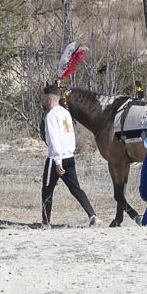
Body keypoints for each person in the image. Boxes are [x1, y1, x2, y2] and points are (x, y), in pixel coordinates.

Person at [40, 84, 97, 228]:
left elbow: (54, 139)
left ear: (48, 98)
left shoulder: (51, 115)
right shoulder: (65, 112)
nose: (42, 100)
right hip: (69, 156)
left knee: (47, 190)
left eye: (43, 98)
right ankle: (92, 215)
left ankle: (46, 222)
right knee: (76, 189)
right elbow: (70, 135)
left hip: (56, 159)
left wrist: (58, 161)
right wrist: (68, 153)